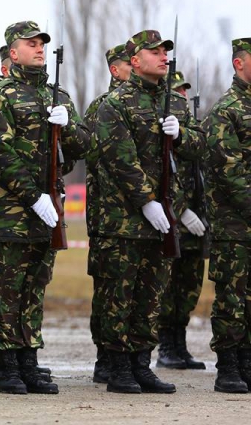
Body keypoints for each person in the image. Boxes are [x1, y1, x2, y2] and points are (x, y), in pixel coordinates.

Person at [0, 21, 87, 395]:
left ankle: (28, 359)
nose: (39, 49)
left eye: (42, 44)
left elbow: (83, 145)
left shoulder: (58, 96)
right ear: (13, 52)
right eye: (31, 44)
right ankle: (5, 363)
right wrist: (31, 195)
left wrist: (67, 127)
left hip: (48, 210)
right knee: (7, 288)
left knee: (35, 287)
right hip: (10, 213)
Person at [94, 30, 204, 394]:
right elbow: (119, 158)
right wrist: (146, 199)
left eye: (165, 52)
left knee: (151, 296)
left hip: (163, 218)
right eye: (154, 52)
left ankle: (142, 363)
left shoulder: (175, 103)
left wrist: (183, 135)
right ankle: (118, 367)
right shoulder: (117, 102)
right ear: (135, 61)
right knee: (119, 298)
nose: (163, 57)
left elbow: (199, 147)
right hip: (124, 219)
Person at [202, 37, 251, 393]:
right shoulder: (226, 111)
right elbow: (228, 170)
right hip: (234, 224)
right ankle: (229, 366)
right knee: (233, 298)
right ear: (239, 63)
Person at [84, 43, 132, 383]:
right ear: (116, 70)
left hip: (145, 217)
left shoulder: (159, 103)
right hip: (109, 214)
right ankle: (107, 357)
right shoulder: (103, 107)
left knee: (141, 291)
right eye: (130, 63)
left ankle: (133, 359)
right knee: (110, 291)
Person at [156, 70, 207, 371]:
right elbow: (163, 176)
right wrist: (182, 209)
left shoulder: (190, 129)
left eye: (184, 91)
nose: (182, 96)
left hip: (196, 224)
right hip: (174, 221)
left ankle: (180, 345)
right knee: (168, 288)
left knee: (189, 287)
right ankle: (165, 346)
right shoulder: (164, 126)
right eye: (176, 91)